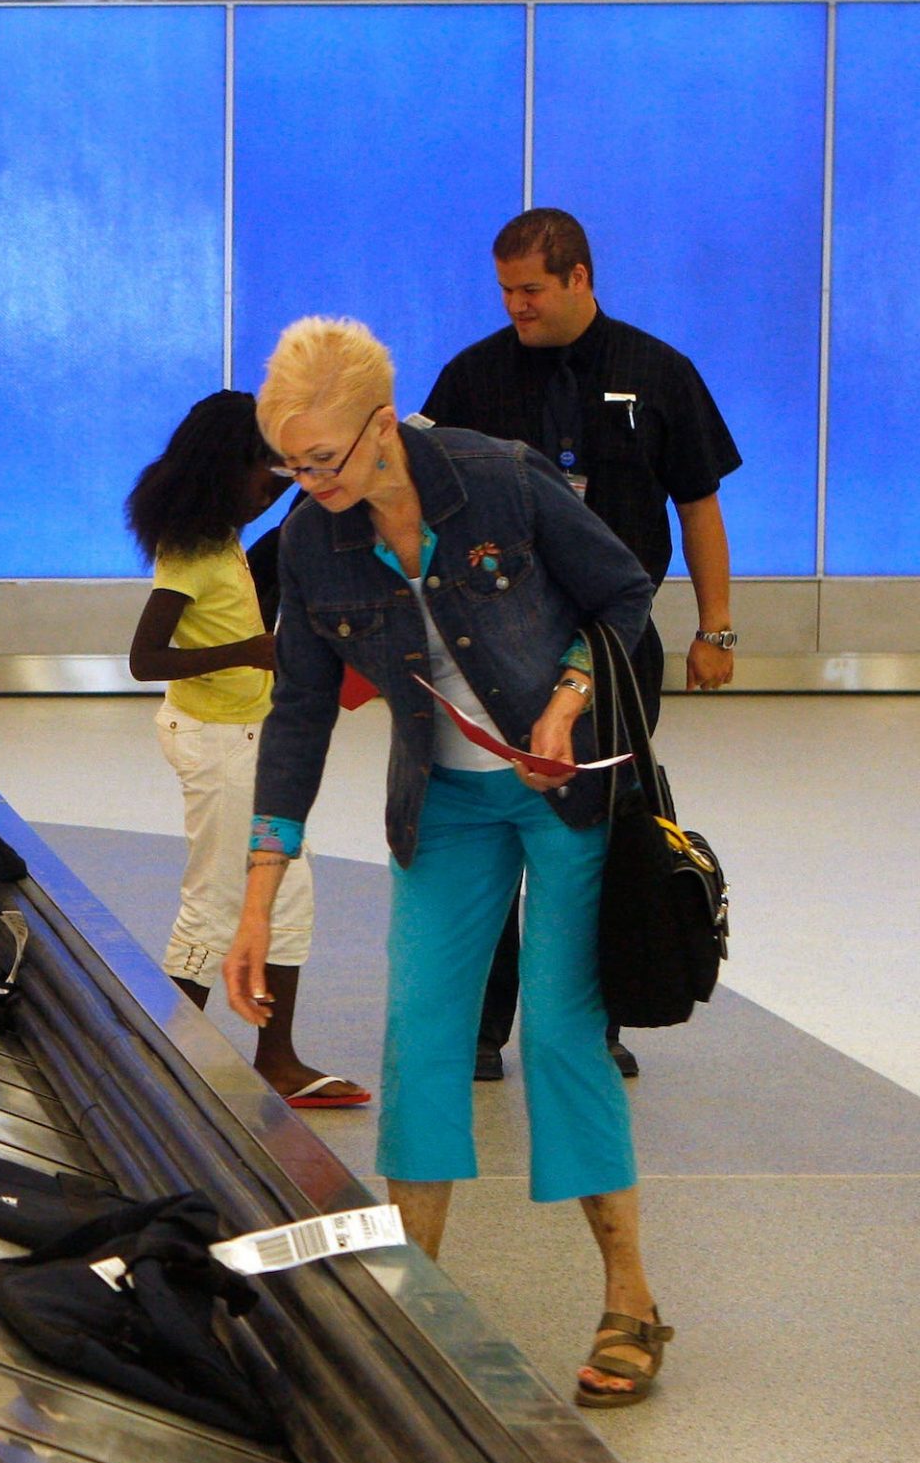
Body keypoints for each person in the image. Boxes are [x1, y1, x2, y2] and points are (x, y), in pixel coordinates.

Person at [225, 317, 673, 1407]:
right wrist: (257, 890)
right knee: (420, 1032)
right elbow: (295, 716)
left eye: (322, 459)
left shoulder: (496, 479)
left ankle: (631, 1299)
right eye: (289, 463)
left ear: (381, 425)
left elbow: (622, 593)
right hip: (446, 807)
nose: (306, 481)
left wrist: (567, 702)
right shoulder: (309, 540)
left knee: (563, 1033)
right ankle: (413, 1297)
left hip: (564, 791)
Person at [420, 209, 741, 1081]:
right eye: (505, 292)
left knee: (600, 834)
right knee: (488, 828)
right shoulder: (473, 378)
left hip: (614, 642)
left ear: (579, 280)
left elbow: (699, 505)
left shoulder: (658, 373)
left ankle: (594, 1017)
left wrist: (715, 628)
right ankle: (479, 1030)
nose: (515, 307)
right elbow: (424, 500)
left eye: (530, 291)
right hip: (496, 645)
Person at [124, 391, 366, 1110]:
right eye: (270, 472)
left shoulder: (224, 533)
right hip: (218, 743)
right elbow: (144, 659)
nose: (277, 488)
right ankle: (162, 1057)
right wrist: (252, 650)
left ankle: (278, 1058)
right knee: (217, 898)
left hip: (249, 736)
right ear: (228, 467)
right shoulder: (194, 552)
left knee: (288, 891)